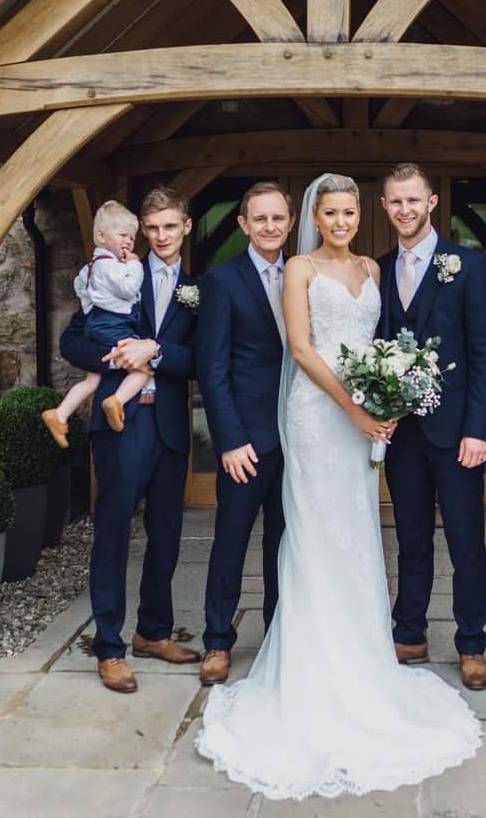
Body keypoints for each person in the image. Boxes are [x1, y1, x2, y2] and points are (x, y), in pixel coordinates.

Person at [196, 173, 480, 800]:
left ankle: (362, 659)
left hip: (363, 423)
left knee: (355, 535)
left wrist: (389, 394)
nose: (342, 221)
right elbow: (300, 347)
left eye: (350, 212)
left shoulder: (374, 275)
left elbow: (378, 346)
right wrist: (355, 407)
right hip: (319, 417)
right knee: (314, 535)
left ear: (361, 216)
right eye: (331, 212)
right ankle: (309, 665)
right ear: (316, 217)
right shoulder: (298, 267)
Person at [57, 188, 202, 693]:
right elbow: (72, 340)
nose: (160, 236)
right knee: (114, 532)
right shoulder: (114, 273)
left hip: (168, 426)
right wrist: (121, 357)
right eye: (152, 227)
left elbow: (201, 358)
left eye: (170, 227)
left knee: (166, 533)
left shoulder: (197, 290)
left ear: (186, 227)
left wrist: (155, 351)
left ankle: (153, 632)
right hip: (119, 427)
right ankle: (110, 647)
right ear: (142, 229)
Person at [378, 163, 486, 691]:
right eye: (395, 202)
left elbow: (484, 353)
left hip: (456, 432)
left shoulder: (467, 266)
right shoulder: (376, 269)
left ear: (431, 203)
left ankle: (472, 643)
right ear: (385, 207)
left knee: (467, 539)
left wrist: (479, 429)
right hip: (401, 433)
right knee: (410, 536)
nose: (405, 210)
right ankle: (410, 630)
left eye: (413, 201)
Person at [194, 182, 294, 687]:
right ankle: (217, 641)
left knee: (284, 544)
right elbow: (212, 369)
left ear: (290, 221)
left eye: (278, 218)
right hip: (246, 442)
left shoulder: (302, 274)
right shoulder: (223, 280)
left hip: (296, 439)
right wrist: (229, 441)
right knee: (231, 540)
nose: (270, 227)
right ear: (243, 224)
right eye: (260, 219)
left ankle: (277, 635)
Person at [43, 201, 149, 446]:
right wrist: (134, 264)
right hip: (114, 325)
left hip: (97, 322)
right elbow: (129, 287)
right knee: (141, 370)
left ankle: (59, 414)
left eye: (132, 238)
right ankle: (116, 402)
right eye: (123, 235)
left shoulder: (91, 266)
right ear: (101, 236)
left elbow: (80, 287)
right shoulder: (111, 265)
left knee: (92, 380)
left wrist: (93, 308)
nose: (129, 242)